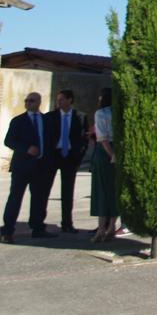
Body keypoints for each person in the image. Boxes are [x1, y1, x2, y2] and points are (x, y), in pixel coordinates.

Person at [2, 91, 53, 242]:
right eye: (26, 101)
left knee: (39, 198)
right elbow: (9, 141)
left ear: (39, 102)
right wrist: (26, 148)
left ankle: (37, 228)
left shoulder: (46, 120)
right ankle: (8, 230)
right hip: (22, 166)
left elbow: (50, 141)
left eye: (31, 101)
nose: (28, 103)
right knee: (15, 198)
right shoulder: (18, 121)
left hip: (40, 166)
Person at [43, 89, 87, 234]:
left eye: (62, 99)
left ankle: (67, 223)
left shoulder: (80, 117)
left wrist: (79, 156)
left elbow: (84, 139)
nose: (59, 102)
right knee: (44, 189)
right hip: (54, 156)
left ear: (70, 100)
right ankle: (39, 223)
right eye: (58, 99)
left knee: (67, 192)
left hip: (70, 157)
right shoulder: (50, 117)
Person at [89, 88, 118, 243]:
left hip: (103, 154)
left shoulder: (101, 113)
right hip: (117, 151)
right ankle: (112, 226)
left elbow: (102, 138)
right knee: (114, 190)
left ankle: (101, 228)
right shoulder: (119, 112)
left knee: (101, 191)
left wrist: (110, 154)